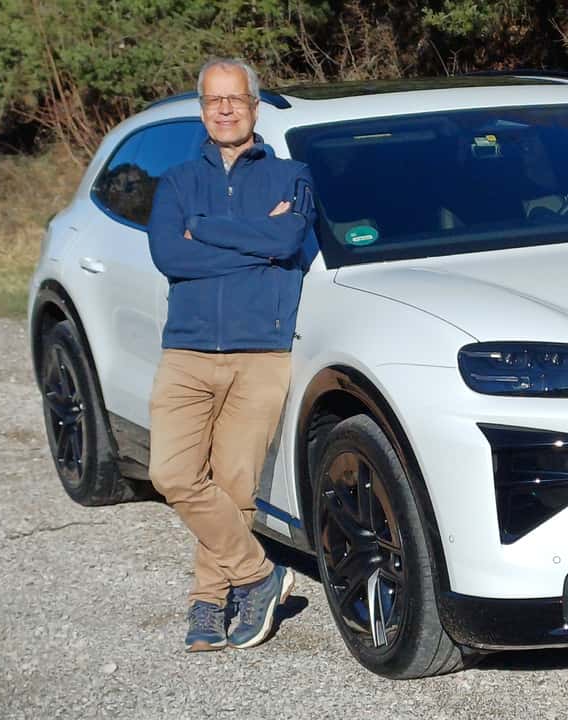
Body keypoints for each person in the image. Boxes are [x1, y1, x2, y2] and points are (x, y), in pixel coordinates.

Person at [146, 58, 316, 652]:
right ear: (202, 110)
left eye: (235, 99)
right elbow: (171, 256)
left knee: (235, 487)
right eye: (214, 100)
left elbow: (288, 240)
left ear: (254, 106)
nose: (224, 109)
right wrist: (254, 245)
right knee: (173, 474)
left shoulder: (292, 175)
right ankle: (258, 575)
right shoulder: (175, 183)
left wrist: (205, 229)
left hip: (260, 354)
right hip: (187, 352)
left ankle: (207, 601)